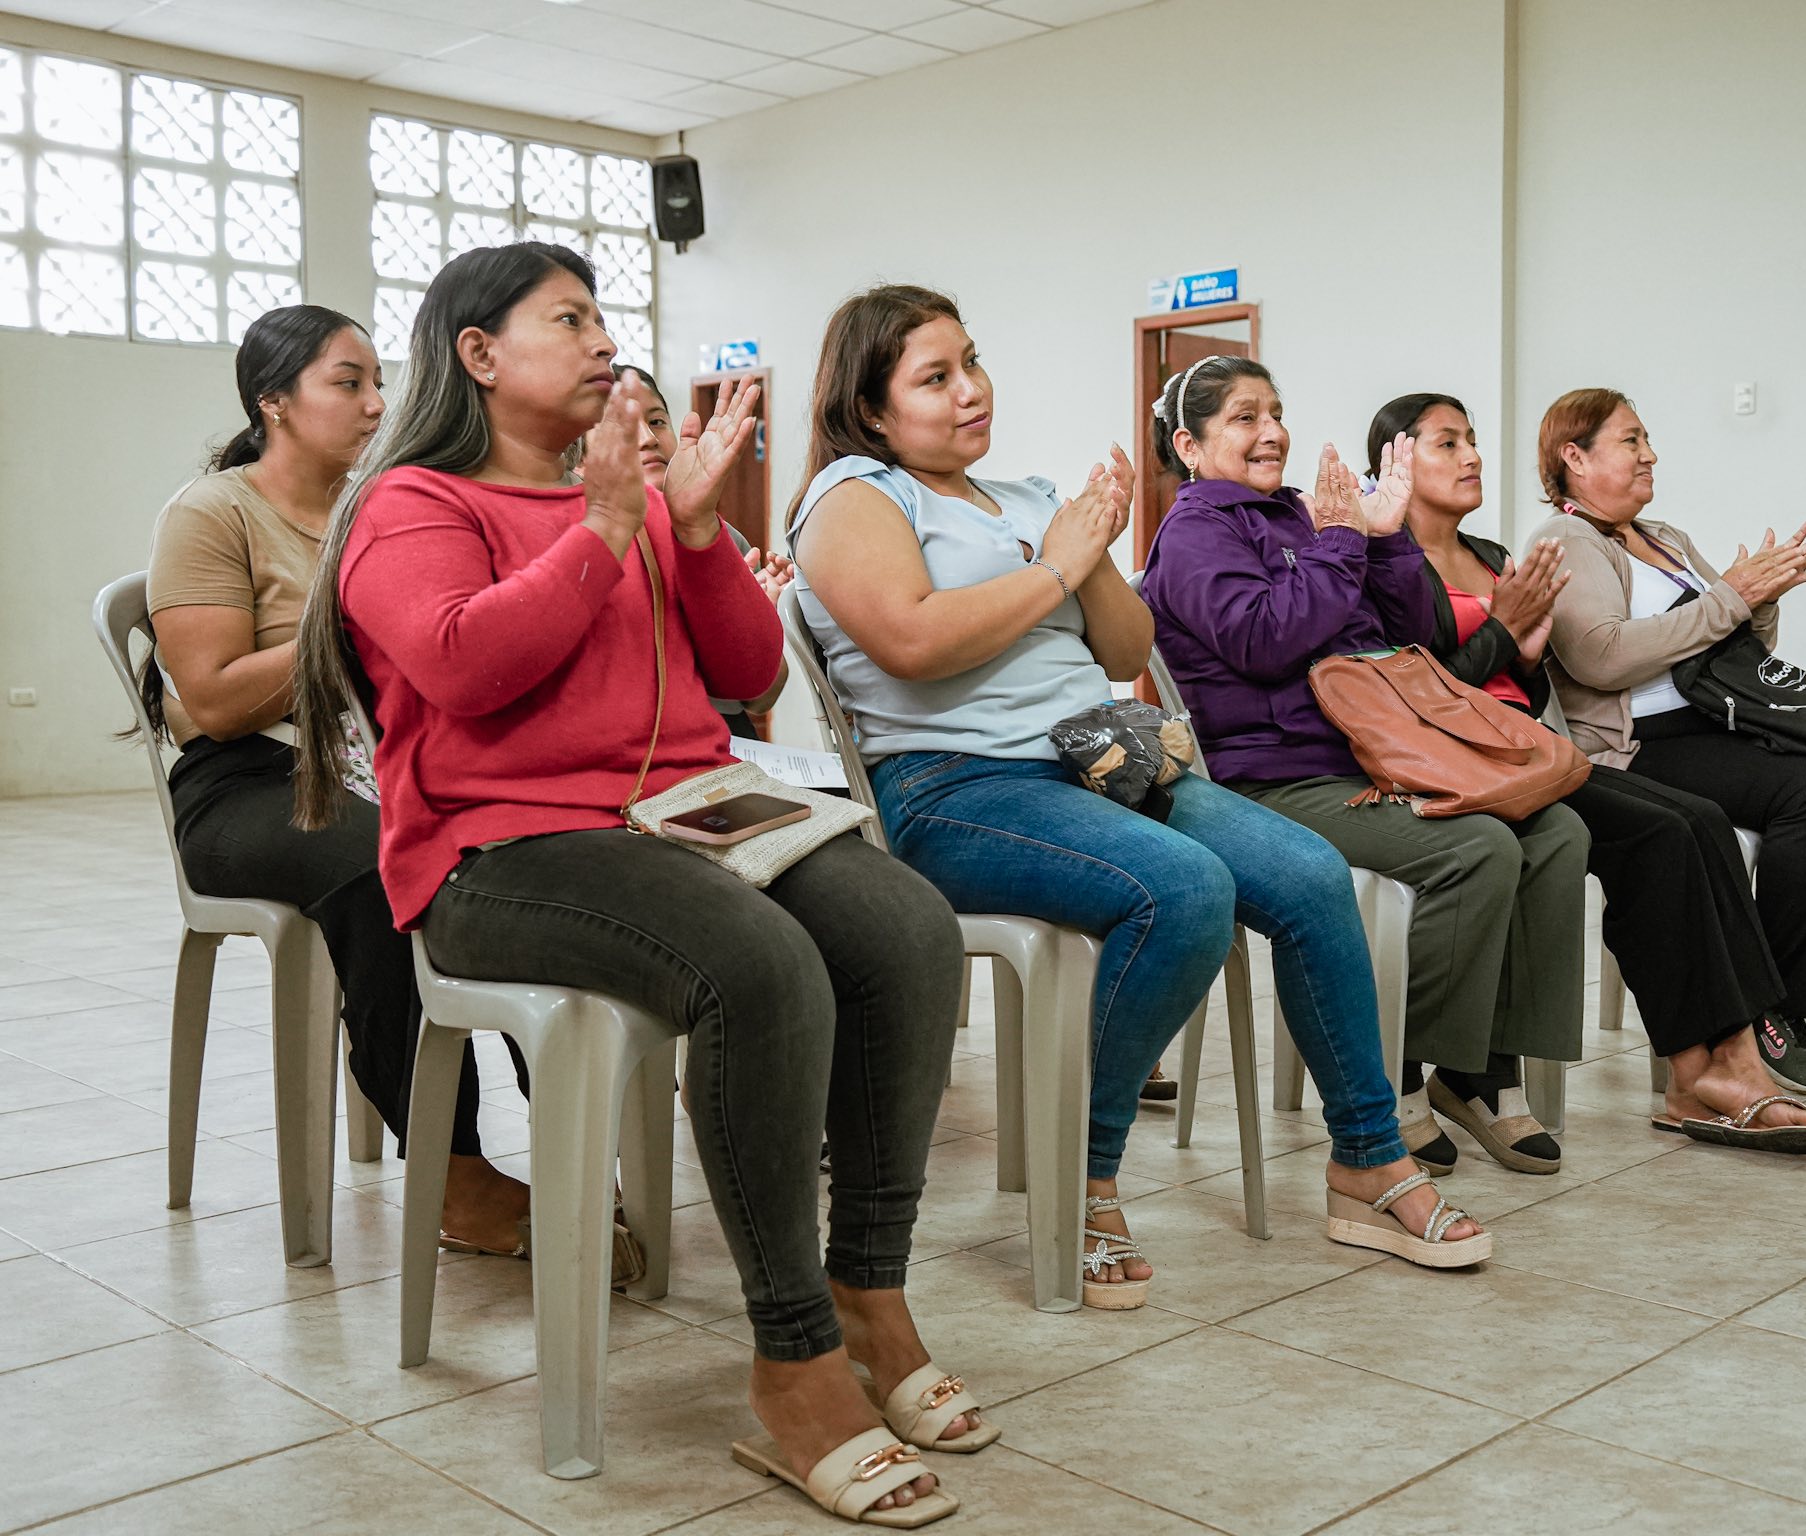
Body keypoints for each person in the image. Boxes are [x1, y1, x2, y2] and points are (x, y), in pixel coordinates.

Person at [292, 245, 978, 1527]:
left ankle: (867, 1292)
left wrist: (697, 531)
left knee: (905, 928)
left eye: (603, 317)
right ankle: (793, 1362)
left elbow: (747, 676)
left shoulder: (637, 500)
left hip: (682, 815)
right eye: (568, 319)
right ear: (478, 354)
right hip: (501, 853)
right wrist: (605, 528)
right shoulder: (411, 503)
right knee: (760, 965)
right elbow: (462, 668)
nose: (603, 340)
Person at [791, 284, 1489, 1308]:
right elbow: (912, 641)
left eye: (972, 361)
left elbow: (1124, 646)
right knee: (1185, 890)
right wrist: (1058, 566)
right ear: (869, 406)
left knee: (1308, 875)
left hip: (1097, 755)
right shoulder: (856, 495)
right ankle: (1084, 1173)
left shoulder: (1027, 496)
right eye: (935, 378)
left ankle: (1367, 1160)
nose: (972, 390)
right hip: (954, 783)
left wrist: (1089, 555)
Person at [142, 303, 543, 1253]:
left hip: (385, 762)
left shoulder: (382, 506)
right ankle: (453, 1172)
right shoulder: (213, 511)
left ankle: (575, 1108)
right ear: (273, 401)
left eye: (378, 384)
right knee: (384, 866)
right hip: (249, 781)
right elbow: (211, 699)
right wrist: (351, 619)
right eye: (347, 382)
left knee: (529, 844)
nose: (375, 405)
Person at [1142, 357, 1588, 1176]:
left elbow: (1412, 633)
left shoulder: (1303, 514)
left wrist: (1384, 540)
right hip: (1276, 779)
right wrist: (1344, 538)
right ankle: (1399, 1074)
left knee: (1556, 829)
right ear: (1190, 445)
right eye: (1244, 417)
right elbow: (1267, 640)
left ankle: (1486, 1070)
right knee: (1477, 848)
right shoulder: (1198, 531)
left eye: (1276, 412)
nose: (1272, 432)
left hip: (1374, 756)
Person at [1378, 391, 1806, 1152]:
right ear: (1395, 461)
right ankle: (1696, 1071)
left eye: (1472, 439)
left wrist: (1527, 657)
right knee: (1661, 833)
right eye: (1447, 443)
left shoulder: (1495, 559)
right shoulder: (1386, 565)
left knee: (1696, 821)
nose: (1472, 456)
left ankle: (1729, 1059)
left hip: (1523, 750)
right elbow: (1415, 694)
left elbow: (1530, 689)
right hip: (1455, 763)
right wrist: (1507, 639)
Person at [1532, 388, 1806, 1091]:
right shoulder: (1566, 540)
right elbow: (1600, 658)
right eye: (1631, 440)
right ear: (1575, 457)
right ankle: (1773, 1006)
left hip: (1721, 718)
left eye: (1646, 439)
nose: (1650, 454)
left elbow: (1735, 647)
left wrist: (1760, 600)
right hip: (1642, 742)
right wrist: (1730, 596)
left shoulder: (1665, 538)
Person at [611, 363, 789, 739]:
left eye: (657, 421)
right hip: (645, 742)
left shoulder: (720, 537)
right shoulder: (590, 544)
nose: (648, 438)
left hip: (725, 736)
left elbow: (762, 697)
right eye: (622, 425)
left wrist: (756, 618)